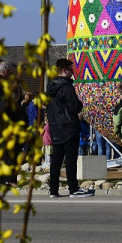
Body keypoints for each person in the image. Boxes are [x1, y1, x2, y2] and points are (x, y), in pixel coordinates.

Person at [46, 58, 93, 198]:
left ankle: (53, 190)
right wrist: (80, 104)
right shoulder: (66, 87)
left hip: (55, 127)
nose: (73, 73)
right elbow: (75, 106)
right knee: (71, 158)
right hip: (68, 126)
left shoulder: (50, 88)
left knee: (56, 160)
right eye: (71, 70)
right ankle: (73, 188)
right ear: (64, 70)